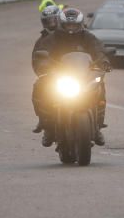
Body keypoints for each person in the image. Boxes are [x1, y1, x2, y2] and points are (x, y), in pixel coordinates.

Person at [42, 8, 111, 146]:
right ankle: (48, 128)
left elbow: (98, 49)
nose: (71, 28)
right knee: (44, 90)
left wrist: (104, 61)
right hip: (61, 75)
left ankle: (97, 127)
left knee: (100, 86)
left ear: (80, 24)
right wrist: (44, 63)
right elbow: (44, 52)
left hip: (84, 75)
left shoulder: (88, 37)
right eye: (68, 25)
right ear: (62, 24)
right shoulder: (54, 38)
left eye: (74, 25)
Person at [31, 5, 61, 143]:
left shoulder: (72, 34)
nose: (51, 23)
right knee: (38, 88)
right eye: (48, 21)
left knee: (97, 84)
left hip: (75, 72)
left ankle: (97, 123)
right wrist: (42, 72)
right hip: (52, 75)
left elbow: (86, 50)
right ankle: (44, 123)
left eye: (54, 20)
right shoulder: (41, 41)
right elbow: (35, 60)